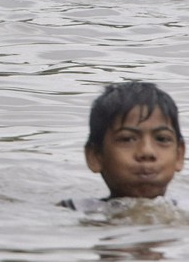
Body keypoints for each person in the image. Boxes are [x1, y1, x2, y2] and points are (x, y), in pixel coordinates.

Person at [60, 81, 184, 211]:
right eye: (127, 139)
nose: (147, 152)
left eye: (162, 139)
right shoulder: (73, 210)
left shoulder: (183, 213)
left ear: (179, 155)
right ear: (95, 156)